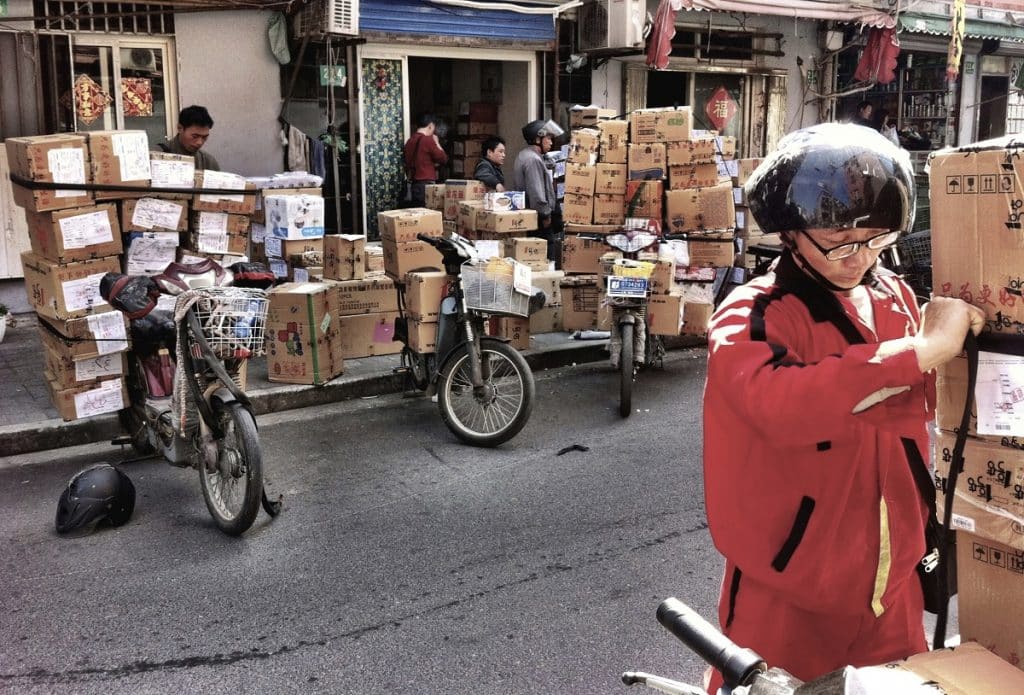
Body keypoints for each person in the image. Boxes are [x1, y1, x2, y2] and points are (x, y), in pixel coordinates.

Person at [701, 123, 984, 694]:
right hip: (790, 588)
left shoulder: (894, 295)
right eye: (840, 240)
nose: (859, 257)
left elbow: (925, 401)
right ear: (791, 232)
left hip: (893, 581)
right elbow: (781, 401)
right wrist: (919, 352)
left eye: (877, 240)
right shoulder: (755, 313)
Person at [510, 119, 564, 264]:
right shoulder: (533, 160)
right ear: (537, 139)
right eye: (548, 138)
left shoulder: (527, 155)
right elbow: (536, 191)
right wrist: (545, 214)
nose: (551, 142)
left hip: (531, 216)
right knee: (546, 257)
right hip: (538, 218)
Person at [403, 112, 448, 208]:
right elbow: (443, 159)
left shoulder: (409, 141)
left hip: (414, 184)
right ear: (431, 126)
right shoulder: (428, 140)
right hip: (426, 184)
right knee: (427, 215)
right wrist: (437, 143)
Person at [157, 105, 220, 171]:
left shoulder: (209, 162)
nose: (199, 142)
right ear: (180, 128)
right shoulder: (156, 156)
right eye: (195, 136)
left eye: (204, 137)